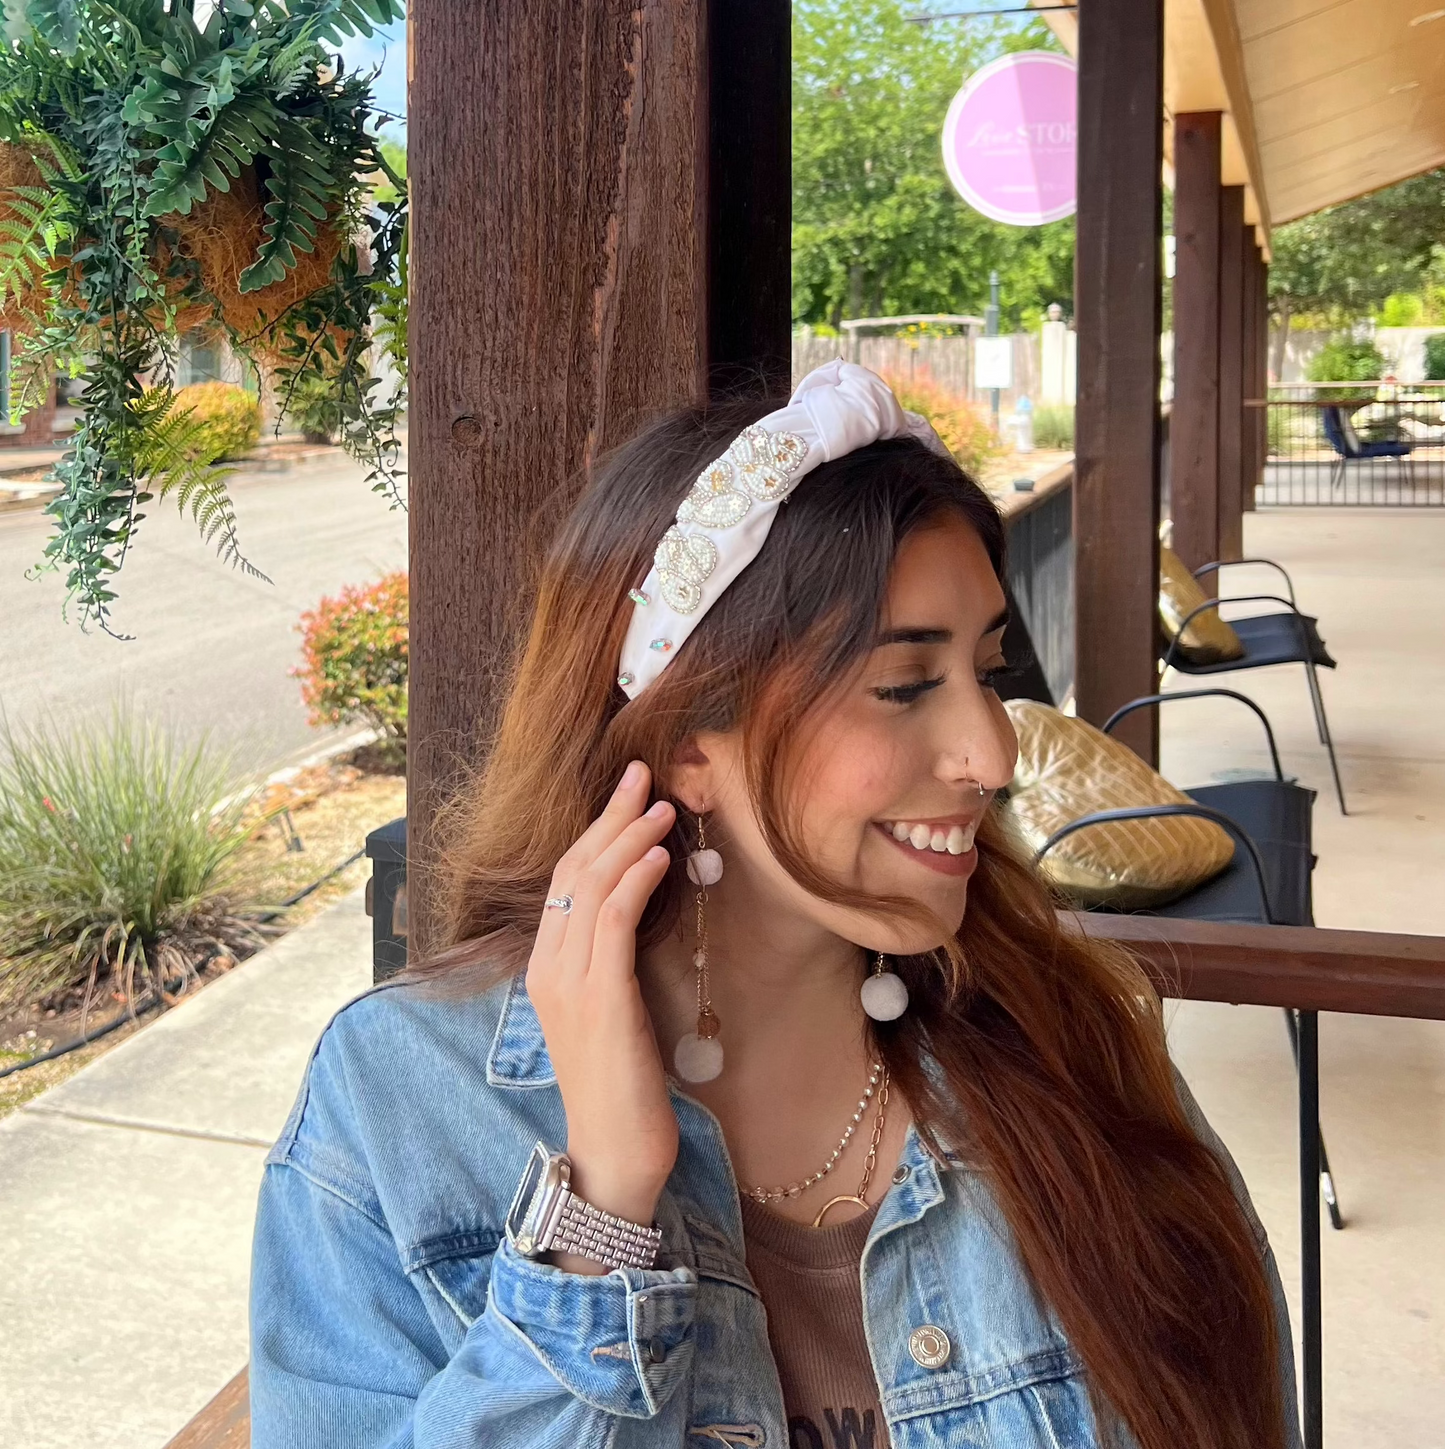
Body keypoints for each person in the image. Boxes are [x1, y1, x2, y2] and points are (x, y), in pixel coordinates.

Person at [249, 362, 1300, 1449]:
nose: (991, 755)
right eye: (902, 686)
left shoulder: (1071, 1041)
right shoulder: (402, 1103)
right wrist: (598, 1215)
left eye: (988, 672)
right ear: (686, 745)